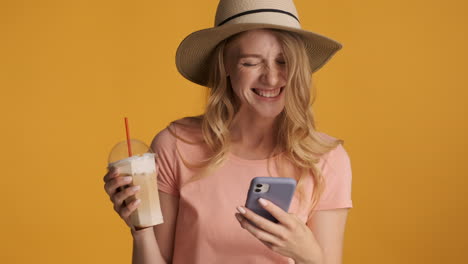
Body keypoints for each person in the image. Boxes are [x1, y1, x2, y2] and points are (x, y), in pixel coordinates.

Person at [103, 0, 353, 263]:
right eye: (251, 63)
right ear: (225, 68)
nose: (271, 78)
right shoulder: (174, 145)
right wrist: (141, 229)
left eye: (283, 61)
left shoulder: (327, 159)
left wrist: (306, 252)